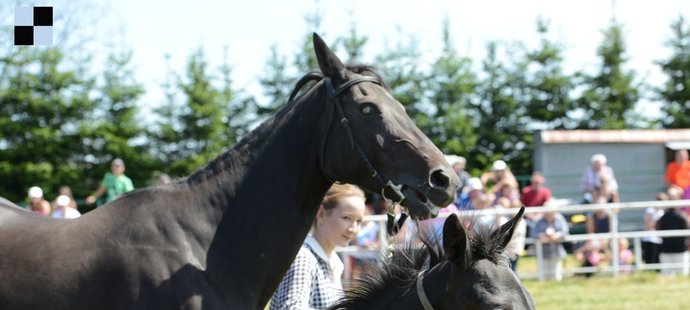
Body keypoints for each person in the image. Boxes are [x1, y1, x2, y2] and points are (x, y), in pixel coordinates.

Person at [271, 183, 366, 310]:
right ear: (321, 214)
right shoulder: (304, 257)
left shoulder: (334, 261)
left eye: (358, 221)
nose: (353, 229)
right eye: (346, 218)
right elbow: (290, 308)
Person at [531, 207, 569, 281]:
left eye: (551, 214)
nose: (549, 216)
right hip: (543, 251)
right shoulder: (539, 220)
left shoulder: (559, 219)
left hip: (556, 250)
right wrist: (541, 235)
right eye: (547, 214)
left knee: (556, 274)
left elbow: (565, 231)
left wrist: (557, 235)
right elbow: (533, 233)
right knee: (544, 274)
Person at [656, 205, 689, 276]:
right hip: (680, 249)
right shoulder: (682, 216)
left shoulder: (662, 218)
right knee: (682, 273)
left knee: (666, 274)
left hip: (666, 249)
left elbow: (657, 229)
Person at [642, 192, 666, 269]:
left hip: (659, 239)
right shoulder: (651, 210)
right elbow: (648, 226)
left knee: (657, 261)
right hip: (649, 239)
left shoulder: (662, 212)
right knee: (650, 260)